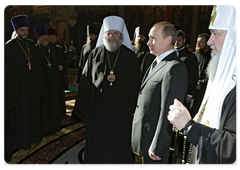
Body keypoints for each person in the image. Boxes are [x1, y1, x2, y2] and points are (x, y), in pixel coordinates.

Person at [168, 3, 237, 165]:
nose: (210, 41)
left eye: (215, 34)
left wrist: (189, 126)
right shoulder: (220, 73)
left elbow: (234, 148)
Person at [73, 16, 141, 164]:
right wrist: (84, 108)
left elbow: (136, 84)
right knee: (99, 142)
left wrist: (134, 107)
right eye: (109, 33)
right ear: (104, 35)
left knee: (119, 143)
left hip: (121, 110)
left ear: (121, 36)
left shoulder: (130, 57)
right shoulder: (94, 54)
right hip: (98, 109)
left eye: (116, 33)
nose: (112, 37)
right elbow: (85, 82)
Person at [131, 21, 188, 165]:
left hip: (154, 142)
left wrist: (158, 145)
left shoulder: (174, 67)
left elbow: (167, 111)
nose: (149, 42)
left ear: (168, 39)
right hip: (145, 137)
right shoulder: (156, 61)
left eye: (153, 38)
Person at [2, 15, 44, 163]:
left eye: (26, 30)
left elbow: (37, 67)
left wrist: (38, 86)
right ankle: (21, 141)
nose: (25, 33)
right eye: (22, 30)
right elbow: (8, 72)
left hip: (31, 88)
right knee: (21, 116)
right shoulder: (9, 47)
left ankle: (33, 137)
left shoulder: (32, 44)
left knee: (32, 113)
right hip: (18, 89)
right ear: (16, 30)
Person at [34, 24, 62, 136]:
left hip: (53, 83)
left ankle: (54, 126)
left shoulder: (52, 49)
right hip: (42, 84)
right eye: (42, 36)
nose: (45, 38)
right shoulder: (35, 50)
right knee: (44, 107)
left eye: (46, 35)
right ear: (38, 38)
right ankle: (44, 129)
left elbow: (54, 65)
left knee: (53, 105)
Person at [174, 30, 199, 110]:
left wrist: (190, 94)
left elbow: (193, 76)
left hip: (183, 91)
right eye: (175, 40)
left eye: (179, 40)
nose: (176, 42)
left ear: (184, 41)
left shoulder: (190, 57)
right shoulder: (171, 54)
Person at [48, 27, 68, 117]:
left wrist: (63, 67)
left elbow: (64, 62)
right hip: (51, 78)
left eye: (54, 37)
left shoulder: (59, 49)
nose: (53, 39)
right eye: (51, 37)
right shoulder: (45, 49)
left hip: (59, 77)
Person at [190, 33, 211, 118]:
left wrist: (201, 83)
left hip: (203, 90)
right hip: (192, 88)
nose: (198, 44)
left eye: (201, 42)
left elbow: (211, 75)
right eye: (197, 42)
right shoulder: (194, 55)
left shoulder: (212, 57)